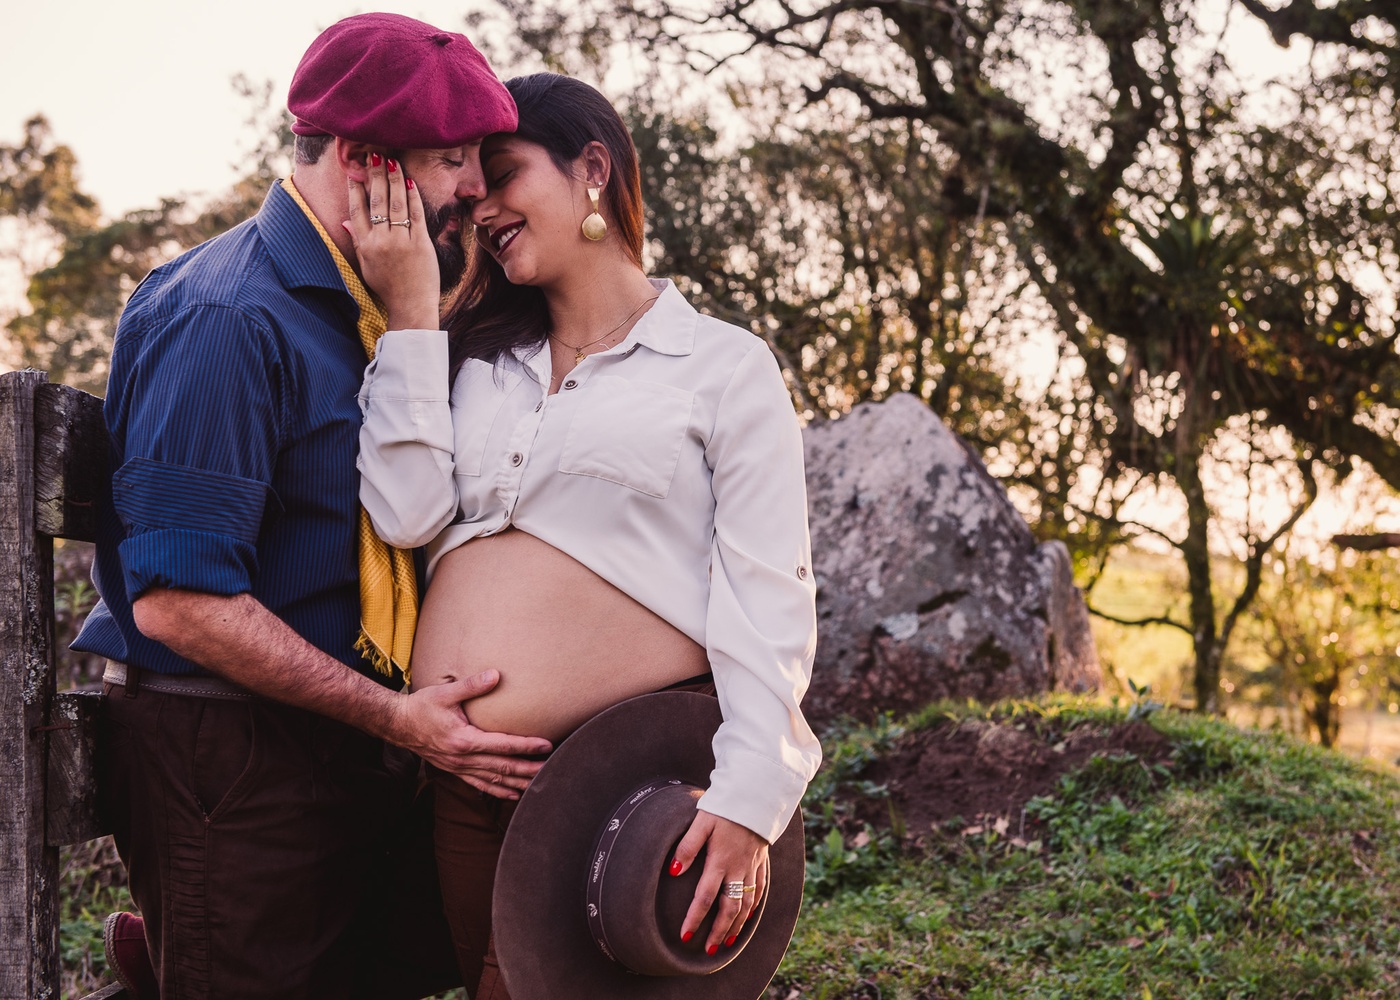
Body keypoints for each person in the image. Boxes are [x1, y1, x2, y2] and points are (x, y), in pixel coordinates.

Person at [71, 14, 553, 1000]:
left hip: (334, 740)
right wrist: (396, 717)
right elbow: (181, 604)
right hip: (226, 748)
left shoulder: (371, 303)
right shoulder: (225, 314)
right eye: (452, 159)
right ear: (367, 162)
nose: (476, 185)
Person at [351, 72, 822, 998]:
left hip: (614, 786)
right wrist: (410, 317)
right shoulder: (469, 356)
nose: (481, 206)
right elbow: (403, 516)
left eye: (503, 174)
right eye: (471, 192)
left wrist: (751, 797)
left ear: (592, 168)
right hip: (462, 783)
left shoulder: (722, 367)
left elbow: (769, 596)